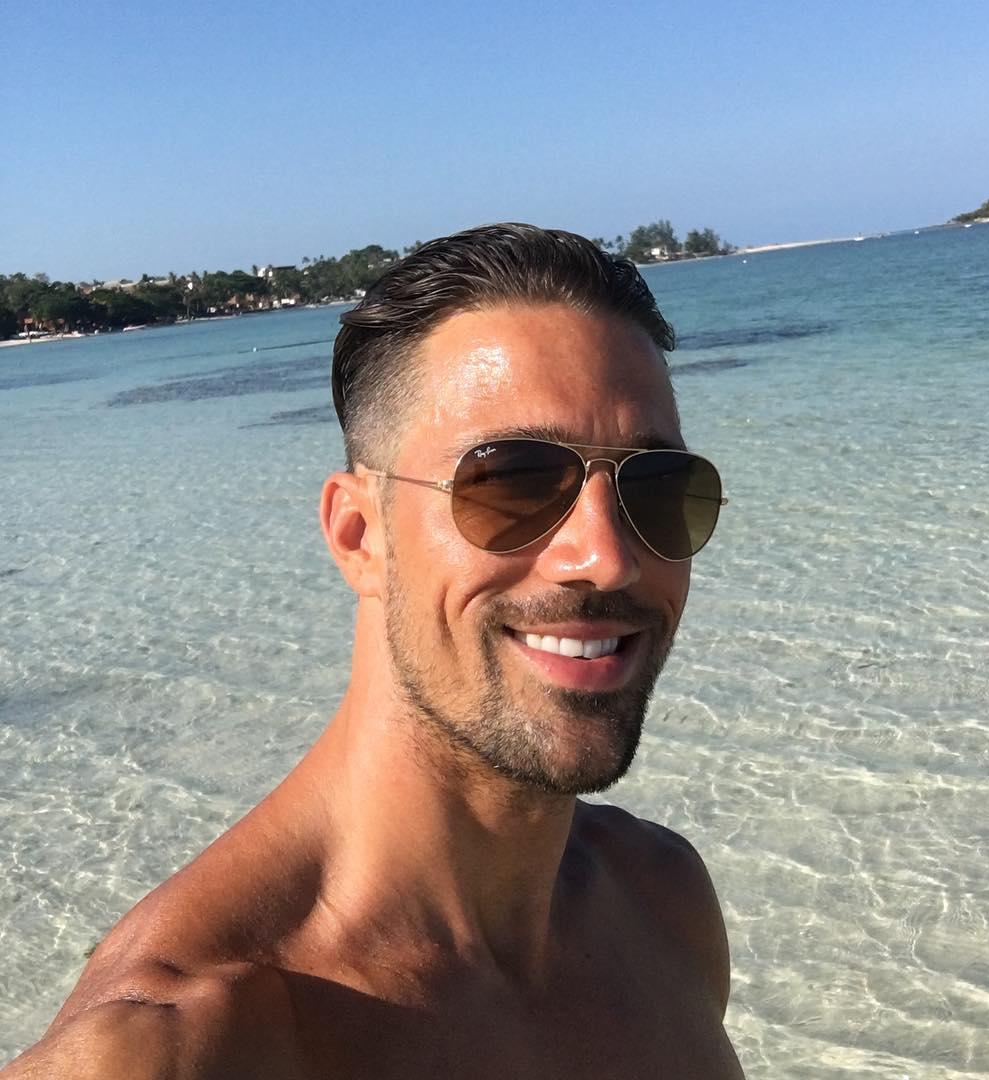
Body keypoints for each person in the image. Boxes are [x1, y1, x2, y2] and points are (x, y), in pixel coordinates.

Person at [4, 224, 742, 1078]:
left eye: (657, 486)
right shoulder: (173, 1049)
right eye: (512, 480)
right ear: (359, 535)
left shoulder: (661, 901)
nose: (607, 557)